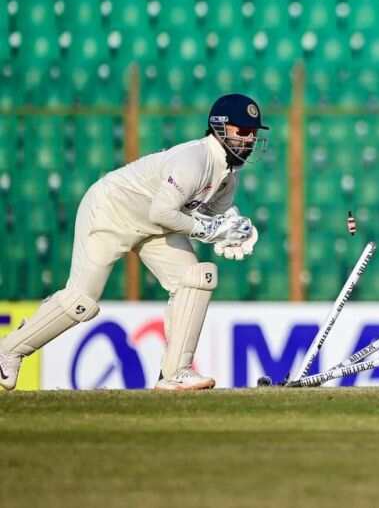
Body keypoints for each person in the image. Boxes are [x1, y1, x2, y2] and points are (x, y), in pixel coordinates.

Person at [0, 94, 268, 391]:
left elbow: (214, 219)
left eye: (253, 133)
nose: (249, 139)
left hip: (155, 229)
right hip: (110, 211)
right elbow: (163, 211)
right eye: (242, 131)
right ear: (220, 127)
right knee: (81, 301)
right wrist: (208, 231)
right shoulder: (194, 159)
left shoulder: (228, 177)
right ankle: (8, 351)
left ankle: (175, 373)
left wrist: (233, 231)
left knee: (199, 277)